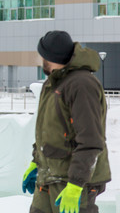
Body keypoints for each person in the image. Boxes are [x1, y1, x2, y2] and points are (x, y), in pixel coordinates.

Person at [22, 31, 111, 213]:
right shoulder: (53, 83)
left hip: (72, 181)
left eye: (42, 55)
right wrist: (36, 161)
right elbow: (49, 130)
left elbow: (91, 140)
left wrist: (76, 184)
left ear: (49, 57)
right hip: (49, 176)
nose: (40, 60)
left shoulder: (81, 85)